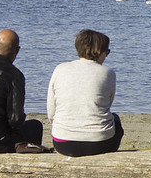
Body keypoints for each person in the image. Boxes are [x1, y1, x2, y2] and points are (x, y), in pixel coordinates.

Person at [47, 29, 123, 157]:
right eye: (107, 52)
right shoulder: (107, 73)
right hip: (99, 143)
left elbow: (51, 110)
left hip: (63, 142)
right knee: (115, 120)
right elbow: (107, 103)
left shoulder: (60, 69)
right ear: (100, 52)